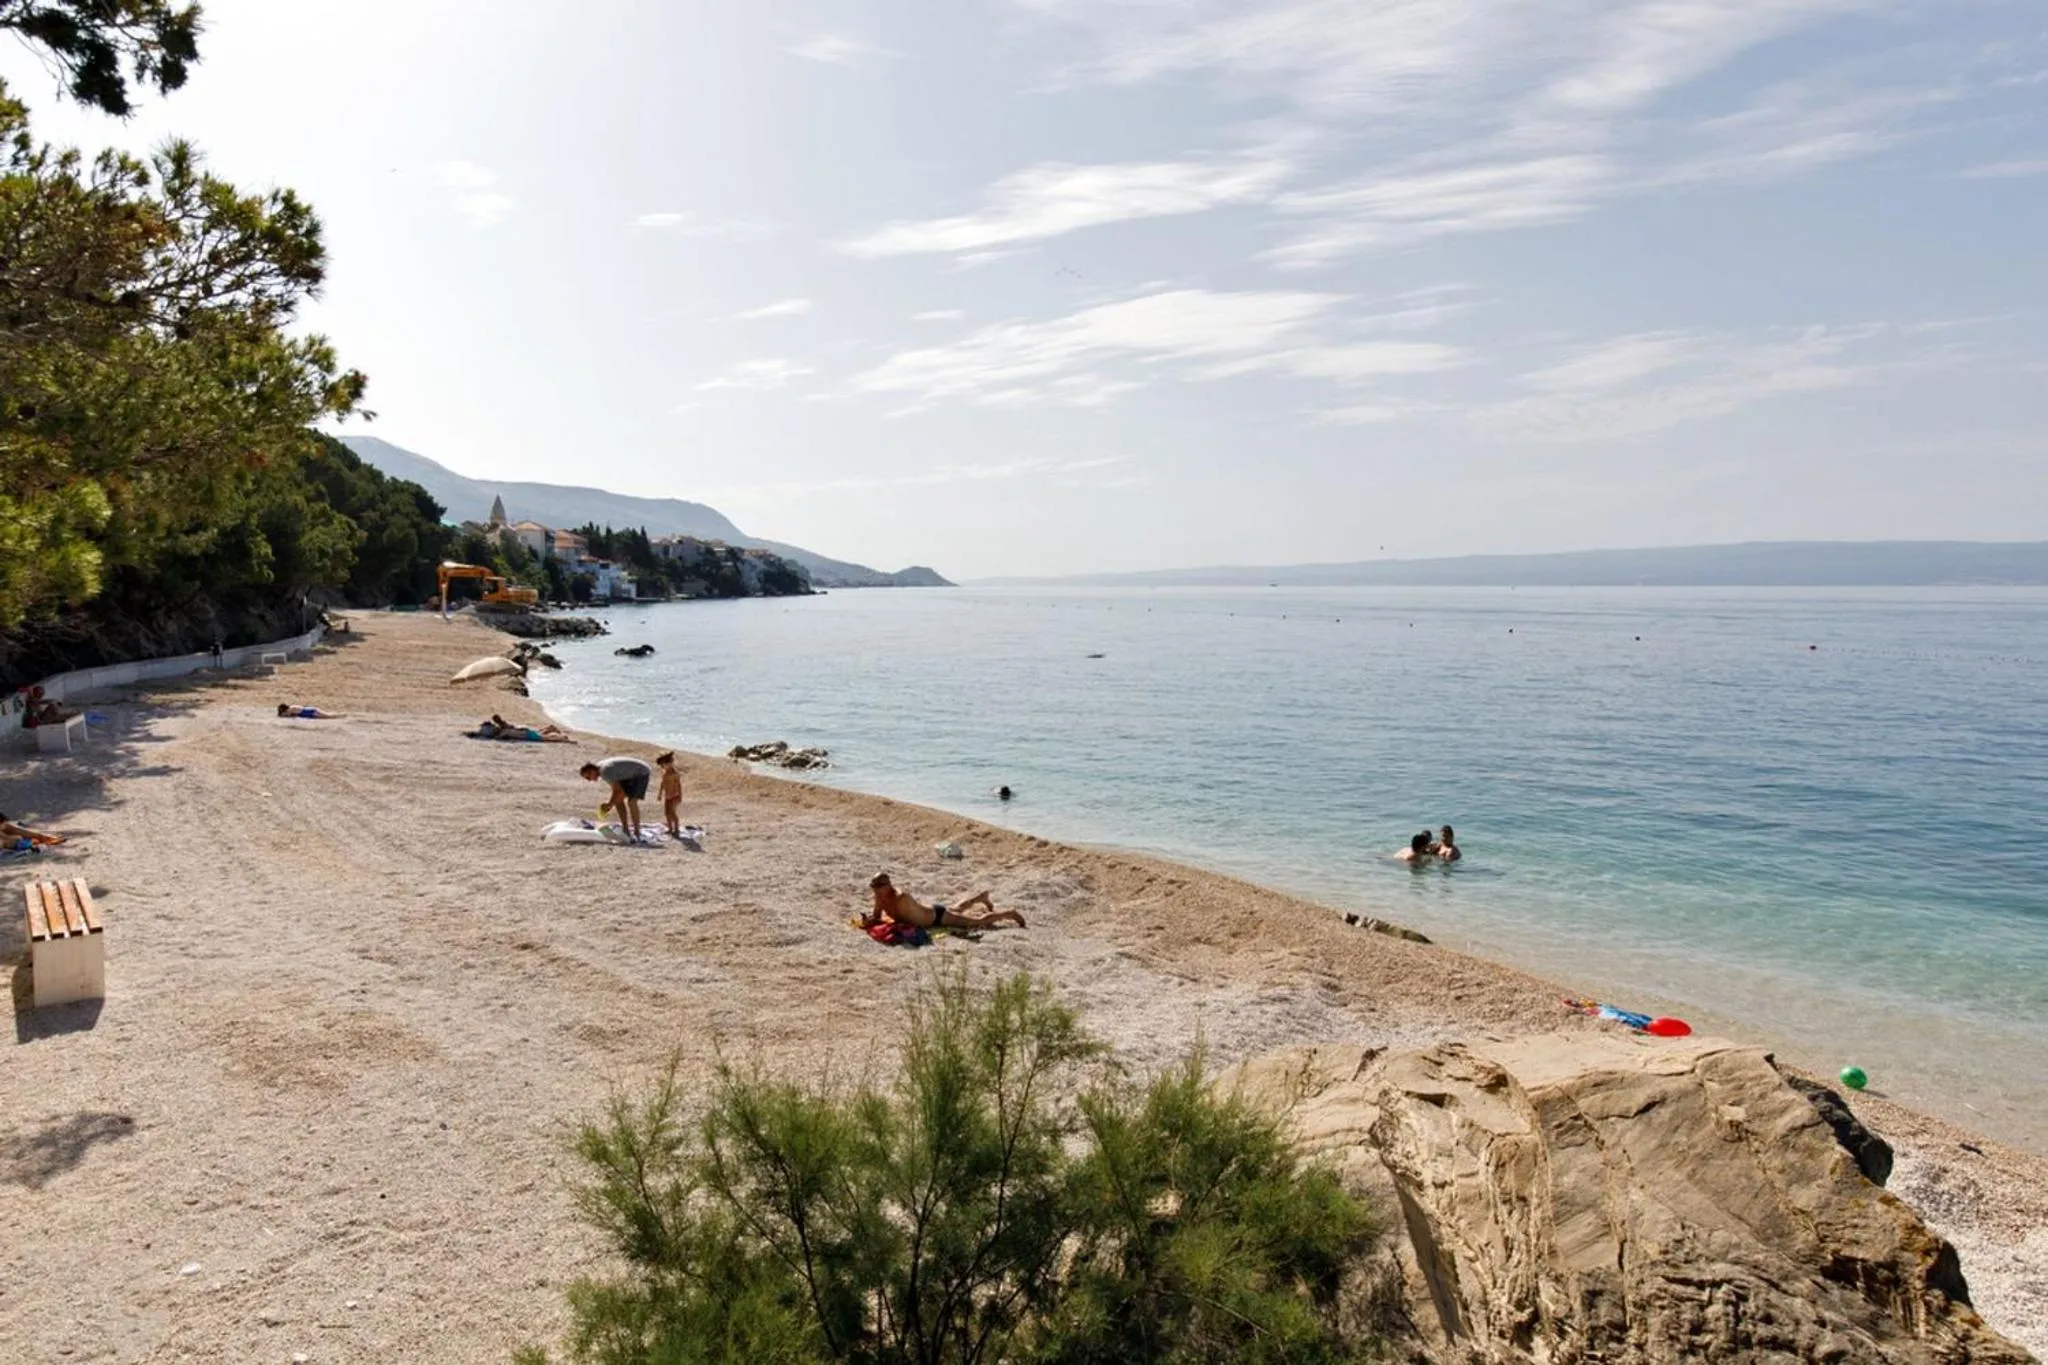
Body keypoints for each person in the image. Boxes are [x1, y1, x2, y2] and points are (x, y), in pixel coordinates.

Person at [864, 872, 1026, 931]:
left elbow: (900, 894)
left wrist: (893, 892)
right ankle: (980, 897)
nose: (875, 890)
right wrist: (869, 920)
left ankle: (1009, 913)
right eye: (874, 887)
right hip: (934, 911)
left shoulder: (902, 897)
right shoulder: (879, 898)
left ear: (888, 885)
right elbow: (877, 917)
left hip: (938, 918)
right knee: (958, 908)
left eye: (879, 887)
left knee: (975, 922)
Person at [581, 754, 653, 839]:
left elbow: (618, 792)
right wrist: (610, 804)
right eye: (588, 779)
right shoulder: (601, 769)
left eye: (589, 776)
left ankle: (637, 831)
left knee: (632, 802)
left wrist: (609, 805)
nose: (590, 779)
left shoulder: (605, 772)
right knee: (618, 801)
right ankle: (625, 829)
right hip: (627, 774)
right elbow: (618, 792)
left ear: (592, 769)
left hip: (641, 772)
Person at [656, 752, 684, 839]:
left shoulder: (675, 774)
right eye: (663, 765)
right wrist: (660, 793)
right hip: (667, 796)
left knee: (672, 813)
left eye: (666, 764)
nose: (665, 766)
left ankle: (676, 829)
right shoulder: (665, 774)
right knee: (667, 813)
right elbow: (662, 784)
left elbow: (679, 785)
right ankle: (670, 828)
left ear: (671, 763)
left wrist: (680, 796)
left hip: (674, 795)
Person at [277, 703, 342, 719]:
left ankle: (340, 715)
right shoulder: (290, 709)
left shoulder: (291, 709)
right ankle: (339, 715)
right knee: (327, 715)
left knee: (328, 716)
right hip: (309, 712)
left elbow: (287, 715)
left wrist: (280, 715)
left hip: (311, 711)